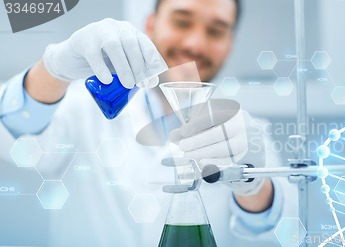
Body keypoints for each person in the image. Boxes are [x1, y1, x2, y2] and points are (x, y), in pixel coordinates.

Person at [0, 0, 297, 246]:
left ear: (230, 43)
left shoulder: (246, 133)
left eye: (216, 31)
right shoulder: (81, 108)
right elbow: (16, 136)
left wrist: (254, 186)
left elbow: (282, 232)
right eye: (182, 22)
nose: (195, 43)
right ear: (151, 25)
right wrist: (53, 69)